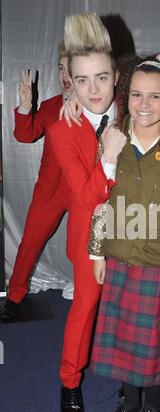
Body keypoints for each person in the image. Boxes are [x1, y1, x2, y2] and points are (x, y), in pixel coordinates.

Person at [88, 53, 160, 412]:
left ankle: (153, 404)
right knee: (122, 341)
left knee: (152, 346)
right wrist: (96, 250)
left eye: (155, 96)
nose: (144, 105)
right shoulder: (113, 142)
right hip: (119, 260)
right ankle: (129, 402)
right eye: (136, 95)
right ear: (125, 96)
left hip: (158, 266)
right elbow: (101, 201)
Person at [46, 12, 126, 412]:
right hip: (90, 238)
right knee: (85, 310)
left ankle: (137, 379)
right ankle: (70, 380)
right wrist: (108, 156)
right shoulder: (63, 129)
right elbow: (85, 194)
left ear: (117, 74)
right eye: (81, 81)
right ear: (70, 83)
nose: (93, 90)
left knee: (136, 308)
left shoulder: (138, 107)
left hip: (135, 233)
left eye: (100, 77)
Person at [1, 39, 73, 322]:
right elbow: (25, 135)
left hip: (84, 191)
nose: (64, 75)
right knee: (29, 243)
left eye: (70, 68)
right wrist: (25, 107)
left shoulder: (100, 106)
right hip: (50, 190)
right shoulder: (51, 105)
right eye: (60, 68)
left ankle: (97, 296)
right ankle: (15, 296)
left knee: (89, 248)